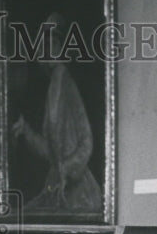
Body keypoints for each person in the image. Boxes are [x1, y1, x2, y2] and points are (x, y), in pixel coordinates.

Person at [11, 12, 101, 215]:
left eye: (52, 43)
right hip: (58, 185)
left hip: (77, 190)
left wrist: (66, 168)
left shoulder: (65, 81)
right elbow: (52, 152)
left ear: (61, 47)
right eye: (44, 44)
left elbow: (86, 141)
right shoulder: (55, 83)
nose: (46, 49)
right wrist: (26, 131)